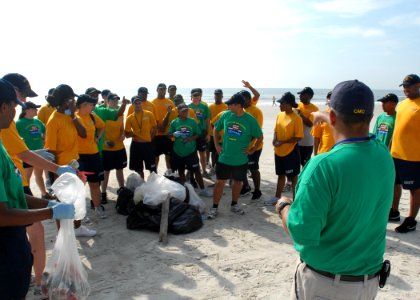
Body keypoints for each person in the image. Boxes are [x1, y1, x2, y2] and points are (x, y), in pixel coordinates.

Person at [276, 80, 395, 300]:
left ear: (333, 118)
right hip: (367, 283)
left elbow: (301, 232)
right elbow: (355, 135)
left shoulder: (322, 166)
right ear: (370, 116)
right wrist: (325, 117)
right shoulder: (383, 155)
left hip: (326, 284)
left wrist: (284, 206)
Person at [0, 78, 75, 299]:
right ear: (4, 106)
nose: (16, 111)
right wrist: (51, 212)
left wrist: (49, 204)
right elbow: (2, 215)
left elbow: (14, 195)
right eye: (14, 106)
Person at [45, 84, 98, 238]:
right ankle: (63, 233)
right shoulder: (53, 121)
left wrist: (73, 116)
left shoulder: (70, 116)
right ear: (67, 100)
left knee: (77, 198)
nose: (75, 101)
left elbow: (83, 134)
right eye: (73, 99)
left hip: (75, 164)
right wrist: (56, 173)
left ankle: (77, 228)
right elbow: (51, 151)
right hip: (61, 169)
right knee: (62, 201)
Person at [208, 93, 263, 219]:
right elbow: (216, 128)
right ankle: (214, 207)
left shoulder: (250, 119)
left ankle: (234, 205)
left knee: (237, 182)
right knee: (219, 182)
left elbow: (259, 136)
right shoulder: (226, 115)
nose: (228, 106)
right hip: (224, 157)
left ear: (238, 105)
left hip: (240, 159)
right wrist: (216, 145)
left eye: (230, 104)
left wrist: (252, 149)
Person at [390, 74, 420, 233]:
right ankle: (394, 211)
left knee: (415, 189)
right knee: (394, 184)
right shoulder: (401, 105)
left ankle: (411, 220)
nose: (406, 88)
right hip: (396, 154)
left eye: (409, 85)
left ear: (418, 85)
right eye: (404, 85)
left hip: (414, 156)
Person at [168, 103, 212, 197]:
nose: (185, 112)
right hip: (178, 151)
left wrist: (191, 138)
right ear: (178, 111)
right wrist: (174, 134)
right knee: (181, 171)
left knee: (197, 171)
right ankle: (184, 190)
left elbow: (198, 133)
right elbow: (169, 135)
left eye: (186, 110)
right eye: (183, 110)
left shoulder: (192, 121)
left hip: (191, 151)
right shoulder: (174, 122)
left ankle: (203, 189)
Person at [76, 94, 107, 219]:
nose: (93, 106)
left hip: (93, 154)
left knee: (95, 183)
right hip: (79, 156)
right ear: (83, 105)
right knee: (79, 184)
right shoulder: (75, 118)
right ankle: (78, 211)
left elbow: (102, 126)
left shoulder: (92, 116)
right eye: (91, 104)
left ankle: (97, 208)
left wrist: (98, 138)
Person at [16, 101, 54, 199]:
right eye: (34, 108)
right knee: (26, 177)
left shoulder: (38, 122)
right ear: (27, 110)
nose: (37, 110)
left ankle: (44, 194)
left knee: (39, 175)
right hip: (26, 154)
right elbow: (15, 138)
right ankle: (27, 197)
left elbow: (45, 135)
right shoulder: (19, 123)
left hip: (39, 153)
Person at [271, 92, 303, 203]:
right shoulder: (280, 115)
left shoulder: (297, 119)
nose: (279, 105)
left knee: (294, 178)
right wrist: (274, 139)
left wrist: (283, 142)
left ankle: (296, 200)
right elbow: (276, 130)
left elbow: (298, 137)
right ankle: (276, 197)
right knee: (280, 175)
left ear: (289, 104)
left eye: (282, 103)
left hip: (291, 152)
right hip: (278, 151)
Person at [100, 93, 127, 200]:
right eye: (113, 100)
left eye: (117, 100)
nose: (115, 102)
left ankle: (122, 190)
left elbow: (122, 128)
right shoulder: (103, 113)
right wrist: (104, 142)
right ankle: (103, 193)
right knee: (106, 172)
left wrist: (123, 134)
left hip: (119, 147)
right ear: (107, 100)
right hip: (106, 148)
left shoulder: (120, 114)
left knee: (120, 170)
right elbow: (98, 132)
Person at [125, 96, 157, 179]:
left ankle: (154, 185)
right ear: (132, 105)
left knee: (152, 168)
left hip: (148, 144)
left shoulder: (149, 113)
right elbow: (127, 133)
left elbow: (154, 127)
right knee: (138, 169)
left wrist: (151, 138)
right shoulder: (130, 118)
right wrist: (135, 134)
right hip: (136, 145)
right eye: (136, 103)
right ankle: (142, 184)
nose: (138, 105)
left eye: (139, 103)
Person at [240, 89, 264, 200]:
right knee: (241, 167)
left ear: (249, 99)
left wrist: (252, 148)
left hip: (254, 146)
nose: (241, 101)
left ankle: (257, 191)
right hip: (242, 146)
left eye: (243, 99)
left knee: (253, 169)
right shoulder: (241, 110)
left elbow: (257, 132)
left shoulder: (256, 111)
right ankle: (246, 186)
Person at [152, 83, 174, 173]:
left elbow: (173, 118)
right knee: (155, 156)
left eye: (164, 89)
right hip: (156, 134)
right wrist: (157, 127)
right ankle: (154, 174)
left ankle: (169, 173)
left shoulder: (170, 102)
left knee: (168, 156)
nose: (162, 91)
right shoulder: (152, 102)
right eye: (160, 89)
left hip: (167, 134)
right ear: (157, 90)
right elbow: (151, 118)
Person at [189, 88, 211, 177]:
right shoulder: (188, 106)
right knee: (192, 153)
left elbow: (208, 121)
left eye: (197, 96)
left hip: (202, 132)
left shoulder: (204, 106)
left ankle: (204, 170)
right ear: (191, 97)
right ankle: (192, 171)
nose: (196, 97)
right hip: (192, 133)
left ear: (200, 97)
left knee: (202, 153)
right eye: (194, 96)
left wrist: (209, 133)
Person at [296, 86, 318, 166]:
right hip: (295, 141)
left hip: (307, 142)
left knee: (305, 165)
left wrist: (300, 114)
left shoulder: (315, 109)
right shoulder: (297, 105)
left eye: (302, 94)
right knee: (294, 165)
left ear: (310, 96)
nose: (299, 96)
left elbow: (310, 124)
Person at [208, 89, 227, 172]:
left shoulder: (226, 106)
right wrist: (212, 133)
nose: (217, 96)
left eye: (219, 95)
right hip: (213, 132)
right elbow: (209, 121)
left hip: (224, 134)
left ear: (222, 96)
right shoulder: (210, 106)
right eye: (216, 94)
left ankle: (223, 167)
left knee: (223, 151)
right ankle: (213, 166)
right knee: (213, 151)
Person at [312, 91, 335, 155]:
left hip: (340, 154)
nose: (331, 100)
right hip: (324, 153)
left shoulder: (343, 115)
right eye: (329, 97)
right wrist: (315, 154)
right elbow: (316, 137)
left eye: (334, 97)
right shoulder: (320, 116)